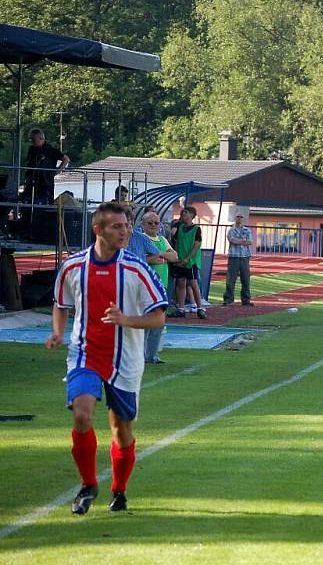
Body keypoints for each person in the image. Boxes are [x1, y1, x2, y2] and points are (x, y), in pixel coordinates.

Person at [45, 201, 168, 515]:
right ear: (98, 230)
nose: (125, 231)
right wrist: (58, 332)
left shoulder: (136, 268)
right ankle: (88, 485)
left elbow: (159, 318)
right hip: (84, 353)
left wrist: (126, 319)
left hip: (126, 359)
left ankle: (119, 489)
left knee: (121, 430)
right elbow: (61, 303)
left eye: (127, 225)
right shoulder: (73, 266)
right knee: (82, 415)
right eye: (117, 226)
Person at [141, 211, 178, 364]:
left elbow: (174, 257)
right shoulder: (141, 239)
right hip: (146, 287)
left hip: (161, 286)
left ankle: (152, 356)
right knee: (145, 323)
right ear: (143, 225)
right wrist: (160, 257)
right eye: (150, 223)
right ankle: (140, 356)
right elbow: (143, 259)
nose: (154, 226)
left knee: (158, 323)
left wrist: (159, 256)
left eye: (156, 223)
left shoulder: (162, 239)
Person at [171, 206, 206, 319]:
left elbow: (197, 245)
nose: (183, 214)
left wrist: (187, 259)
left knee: (193, 283)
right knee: (181, 283)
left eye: (185, 213)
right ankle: (181, 309)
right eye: (182, 213)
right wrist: (177, 257)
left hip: (191, 261)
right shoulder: (180, 227)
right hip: (180, 259)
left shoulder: (196, 229)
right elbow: (175, 240)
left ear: (192, 215)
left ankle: (200, 308)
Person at [22, 128, 69, 205]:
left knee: (44, 204)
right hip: (31, 181)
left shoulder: (50, 150)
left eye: (34, 139)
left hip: (45, 182)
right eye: (31, 139)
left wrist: (58, 170)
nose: (32, 141)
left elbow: (66, 159)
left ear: (41, 138)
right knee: (27, 202)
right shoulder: (32, 150)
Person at [223, 212, 253, 306]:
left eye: (241, 217)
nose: (239, 218)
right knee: (231, 279)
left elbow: (250, 242)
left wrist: (238, 241)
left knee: (245, 279)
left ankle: (246, 300)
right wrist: (243, 241)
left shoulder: (247, 230)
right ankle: (228, 299)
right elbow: (232, 240)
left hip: (245, 256)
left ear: (243, 219)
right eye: (237, 217)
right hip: (234, 256)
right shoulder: (231, 230)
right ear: (235, 218)